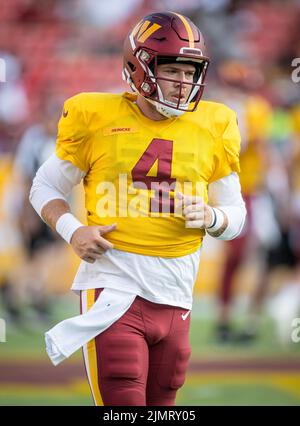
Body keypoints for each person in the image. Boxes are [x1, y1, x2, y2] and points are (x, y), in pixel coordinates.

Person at [29, 12, 246, 406]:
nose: (184, 83)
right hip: (115, 286)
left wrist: (213, 218)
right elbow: (44, 186)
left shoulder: (215, 123)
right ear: (140, 66)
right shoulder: (95, 116)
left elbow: (236, 213)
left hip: (178, 291)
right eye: (173, 71)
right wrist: (73, 230)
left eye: (191, 71)